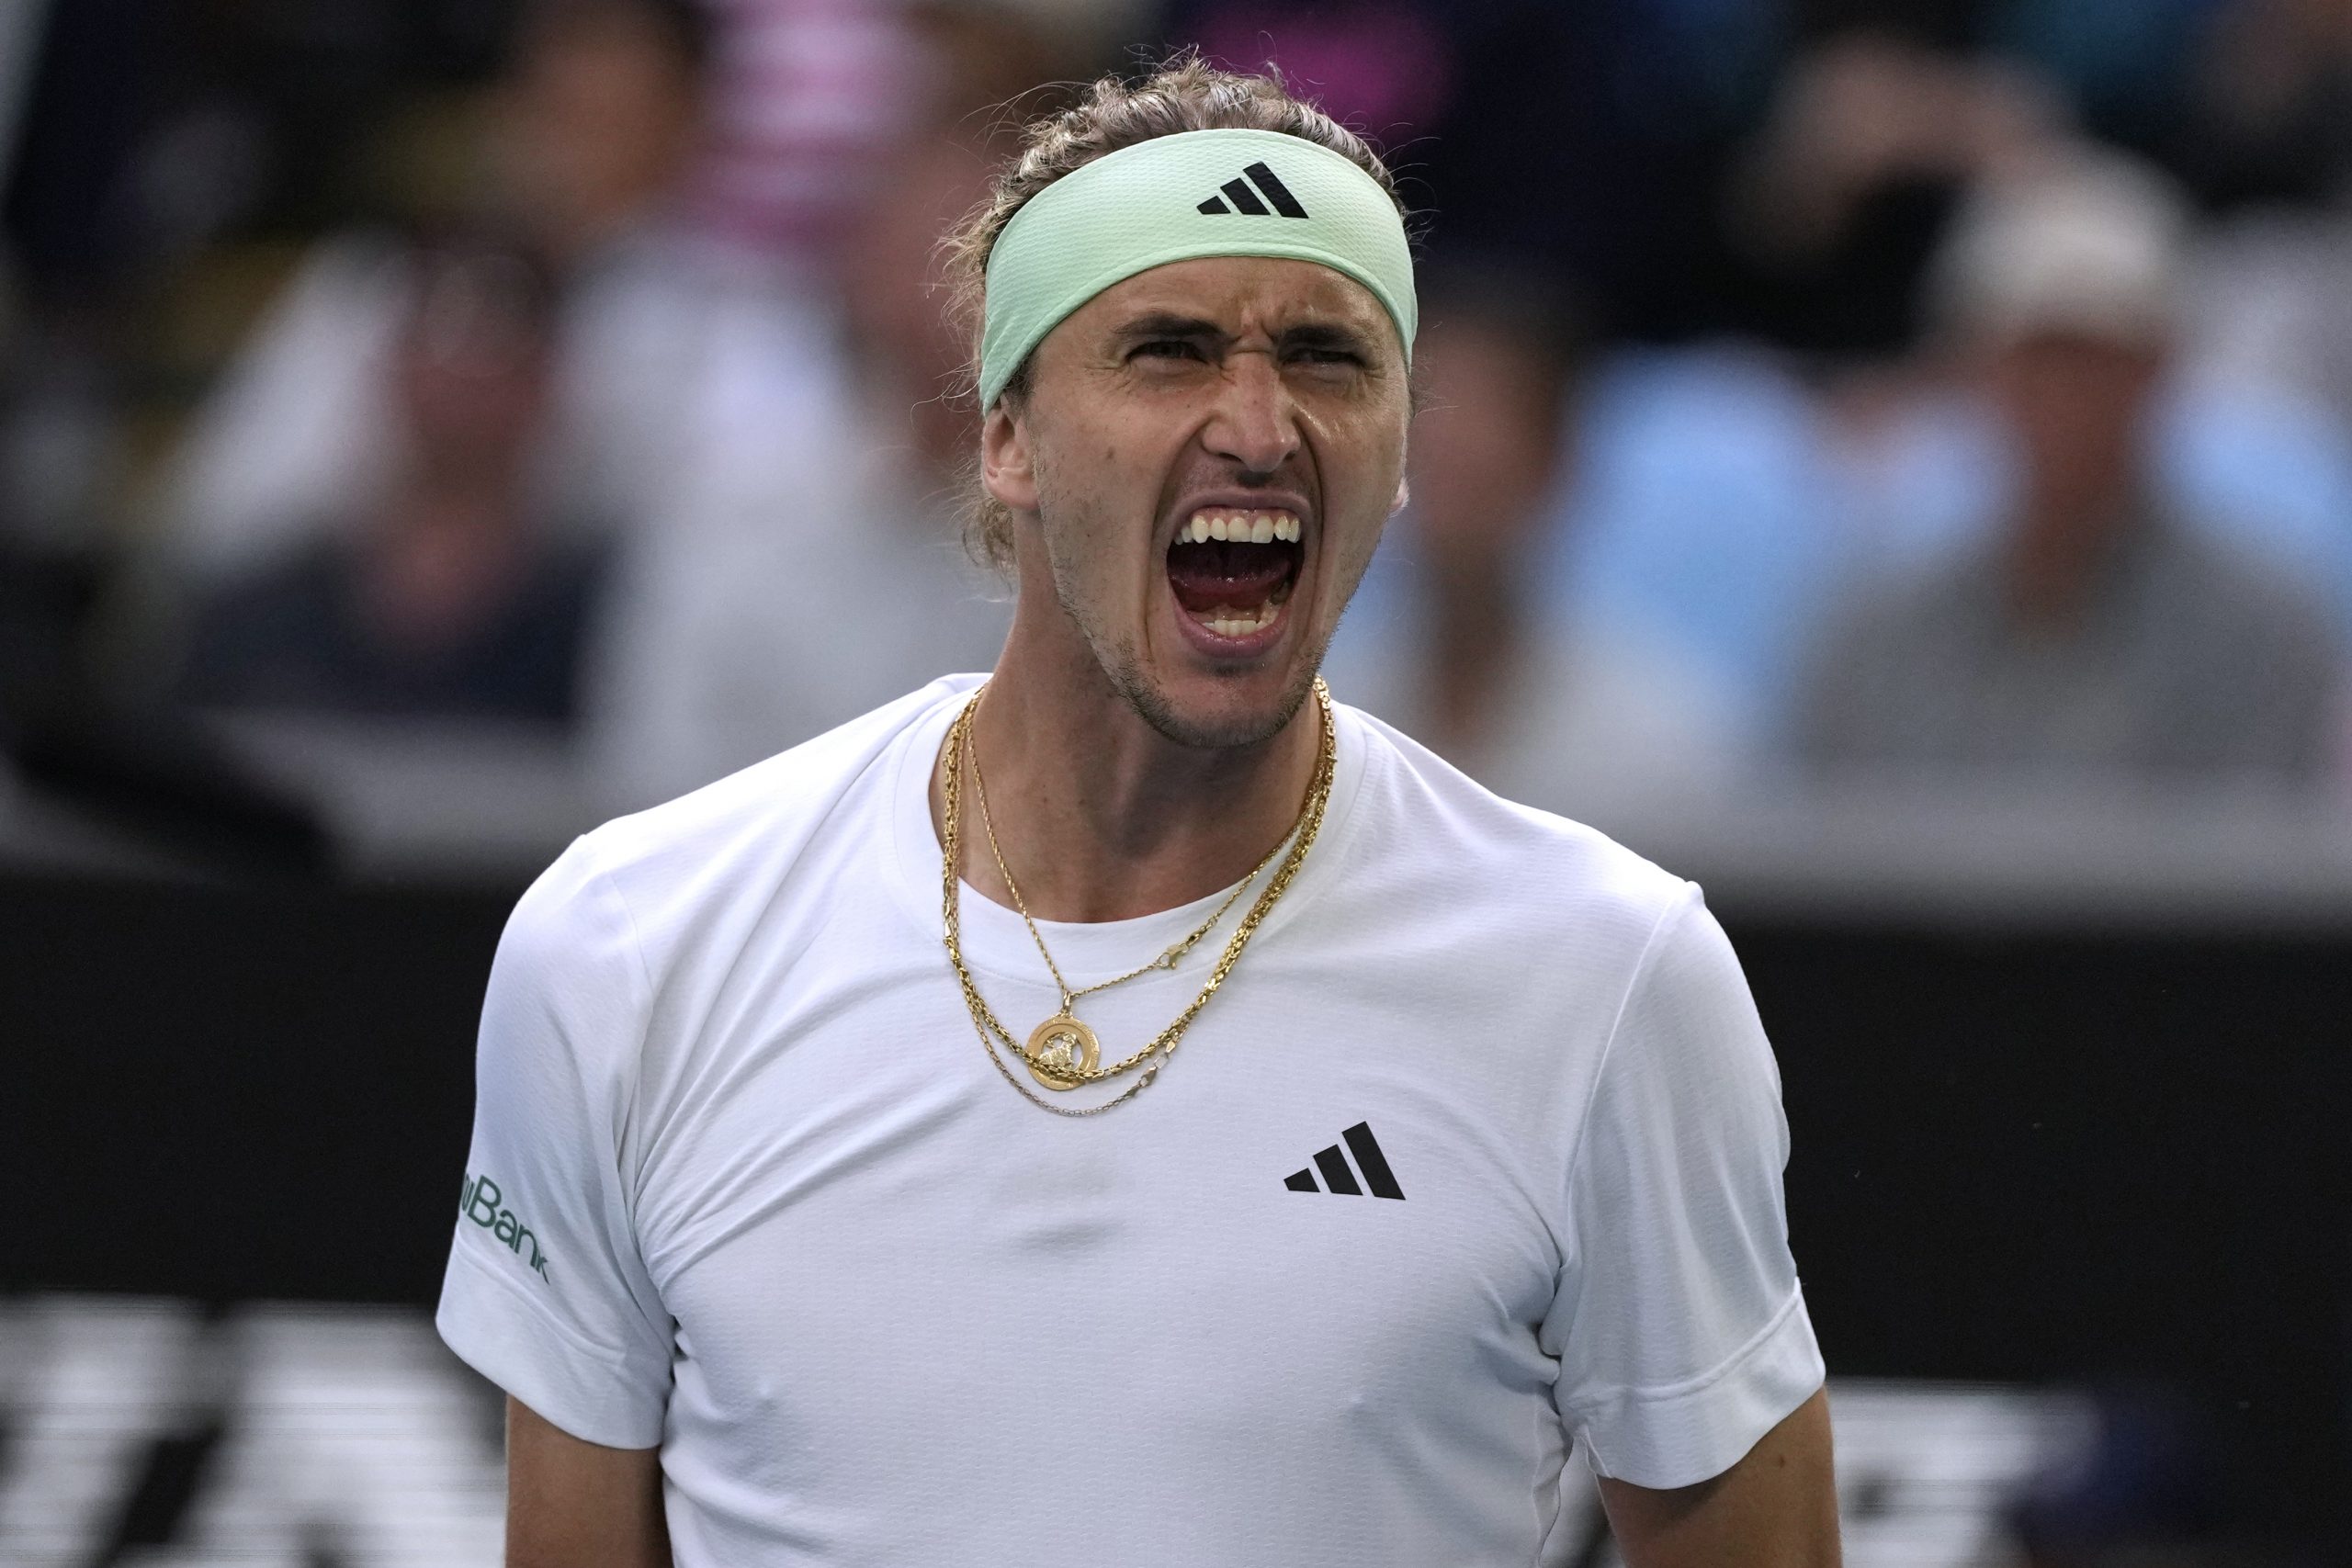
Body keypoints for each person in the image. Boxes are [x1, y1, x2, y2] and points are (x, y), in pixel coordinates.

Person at [437, 59, 1838, 1567]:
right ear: (1009, 437)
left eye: (1327, 356)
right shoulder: (630, 946)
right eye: (1168, 350)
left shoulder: (1615, 981)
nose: (1256, 422)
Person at [1792, 148, 2344, 779]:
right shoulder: (1869, 635)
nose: (2067, 398)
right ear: (1976, 372)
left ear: (2160, 374)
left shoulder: (2269, 635)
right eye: (2038, 359)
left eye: (2099, 360)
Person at [1322, 263, 1736, 820]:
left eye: (1481, 442)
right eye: (1426, 439)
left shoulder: (1662, 742)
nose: (1451, 449)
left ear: (1555, 463)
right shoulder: (1318, 712)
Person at [174, 235, 604, 722]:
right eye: (443, 335)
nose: (463, 377)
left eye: (497, 343)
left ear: (547, 377)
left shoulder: (610, 628)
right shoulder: (255, 614)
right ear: (392, 363)